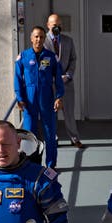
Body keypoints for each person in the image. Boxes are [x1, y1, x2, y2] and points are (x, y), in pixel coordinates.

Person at [15, 26, 65, 169]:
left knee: (50, 132)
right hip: (29, 100)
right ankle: (31, 164)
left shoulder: (51, 57)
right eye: (36, 36)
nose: (38, 39)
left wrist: (59, 97)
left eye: (41, 37)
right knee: (29, 134)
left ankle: (51, 165)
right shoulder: (23, 56)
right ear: (31, 38)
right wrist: (20, 98)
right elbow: (17, 79)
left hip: (46, 98)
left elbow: (59, 80)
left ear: (44, 39)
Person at [44, 13, 85, 149]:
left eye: (59, 25)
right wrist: (53, 77)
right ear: (48, 25)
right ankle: (53, 139)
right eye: (54, 25)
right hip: (50, 85)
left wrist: (68, 75)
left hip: (66, 84)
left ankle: (74, 138)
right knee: (52, 114)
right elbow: (41, 64)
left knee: (69, 113)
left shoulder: (68, 40)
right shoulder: (42, 41)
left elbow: (73, 59)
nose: (57, 27)